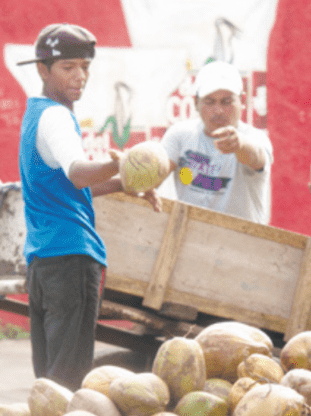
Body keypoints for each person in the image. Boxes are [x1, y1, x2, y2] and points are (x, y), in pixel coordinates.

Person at [17, 23, 160, 390]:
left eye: (85, 66)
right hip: (71, 260)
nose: (80, 76)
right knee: (69, 379)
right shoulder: (56, 117)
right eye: (68, 67)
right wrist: (121, 163)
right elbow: (79, 174)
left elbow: (66, 189)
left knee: (49, 377)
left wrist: (124, 185)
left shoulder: (34, 115)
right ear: (42, 69)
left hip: (43, 261)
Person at [160, 60, 274, 225]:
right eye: (209, 102)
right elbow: (157, 171)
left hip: (242, 244)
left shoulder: (255, 138)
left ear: (242, 101)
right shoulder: (180, 135)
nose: (218, 111)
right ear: (196, 103)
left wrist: (239, 144)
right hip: (189, 241)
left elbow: (257, 157)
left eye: (226, 102)